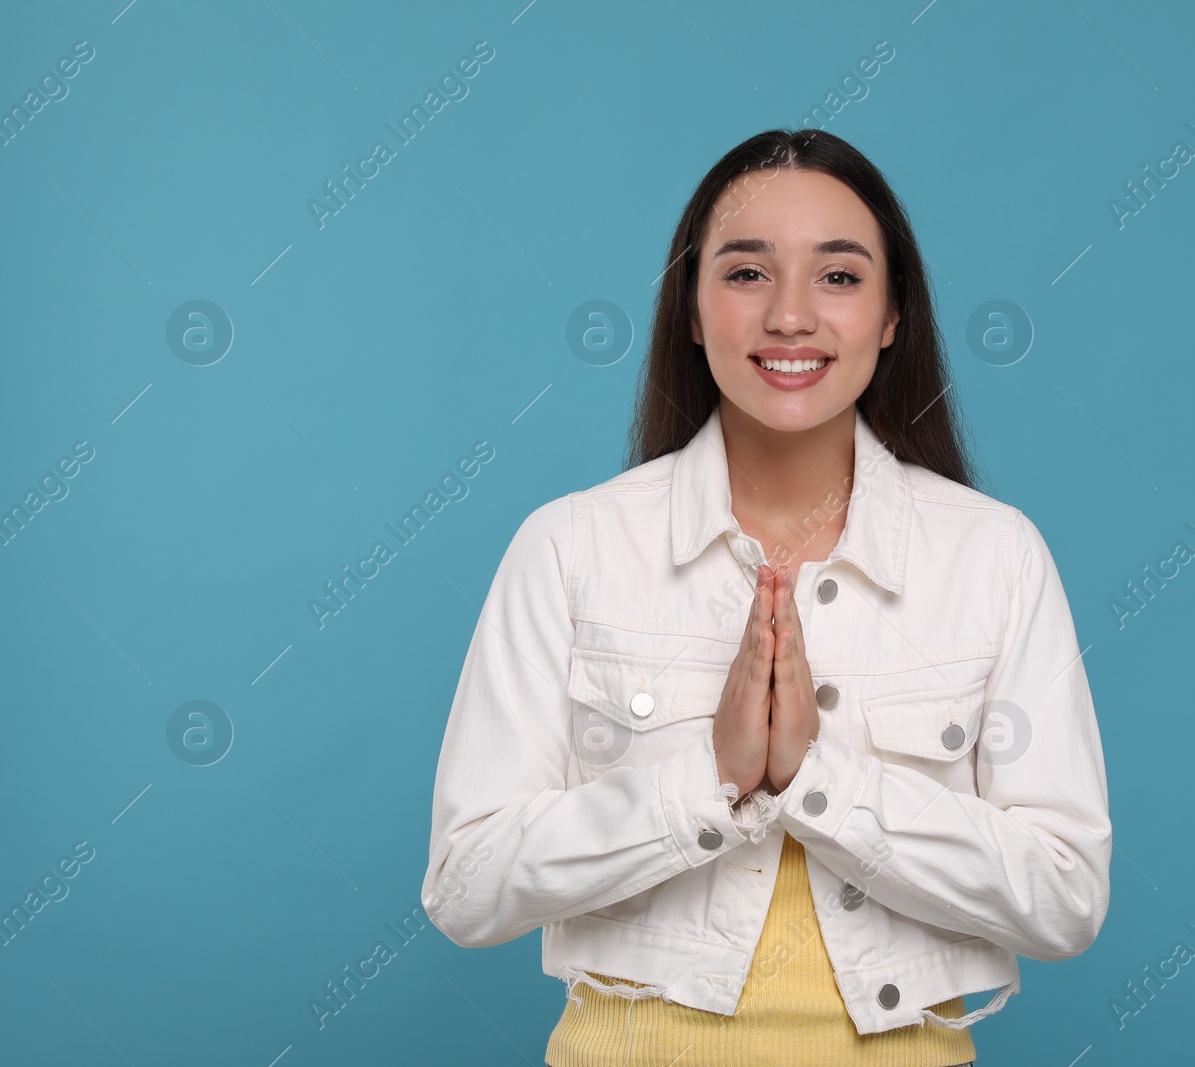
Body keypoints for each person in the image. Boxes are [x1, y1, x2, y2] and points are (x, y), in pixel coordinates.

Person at [420, 127, 1112, 1067]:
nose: (791, 316)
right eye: (747, 274)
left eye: (839, 276)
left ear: (894, 313)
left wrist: (818, 783)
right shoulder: (571, 545)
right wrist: (709, 782)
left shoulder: (996, 556)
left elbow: (1067, 896)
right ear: (693, 312)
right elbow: (465, 886)